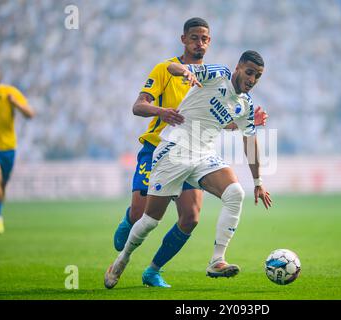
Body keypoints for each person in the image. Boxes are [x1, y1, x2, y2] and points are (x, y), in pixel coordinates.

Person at [112, 18, 268, 287]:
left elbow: (235, 130)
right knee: (146, 219)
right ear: (184, 39)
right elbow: (141, 103)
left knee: (213, 205)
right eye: (195, 38)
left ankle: (210, 262)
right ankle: (122, 258)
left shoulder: (242, 100)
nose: (200, 43)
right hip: (166, 148)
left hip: (202, 155)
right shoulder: (197, 71)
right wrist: (176, 87)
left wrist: (258, 181)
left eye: (205, 39)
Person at [0, 69, 35, 234]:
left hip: (8, 148)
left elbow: (30, 114)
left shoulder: (9, 92)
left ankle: (0, 211)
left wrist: (15, 103)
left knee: (2, 184)